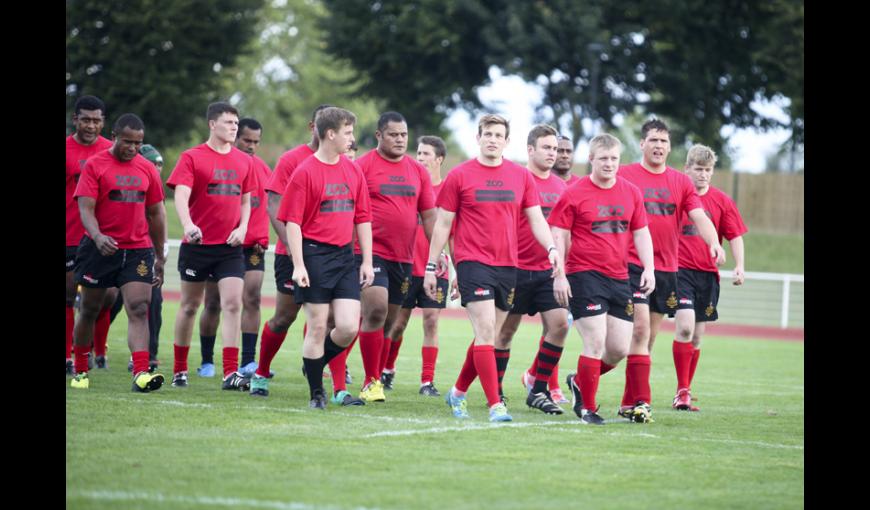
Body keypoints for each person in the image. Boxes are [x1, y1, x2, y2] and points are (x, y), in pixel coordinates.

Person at [424, 114, 562, 422]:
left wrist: (551, 248)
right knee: (487, 332)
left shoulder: (520, 177)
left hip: (507, 265)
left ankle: (458, 392)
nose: (493, 139)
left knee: (489, 335)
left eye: (499, 135)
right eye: (488, 133)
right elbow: (443, 223)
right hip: (473, 263)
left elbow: (536, 218)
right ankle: (494, 404)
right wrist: (432, 266)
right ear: (478, 137)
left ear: (506, 141)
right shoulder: (459, 176)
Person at [248, 105, 360, 405]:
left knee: (337, 321)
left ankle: (336, 388)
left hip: (333, 256)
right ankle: (261, 371)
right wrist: (299, 252)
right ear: (320, 127)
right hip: (296, 253)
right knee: (285, 317)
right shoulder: (293, 161)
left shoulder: (346, 162)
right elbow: (276, 206)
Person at [618, 119, 725, 422]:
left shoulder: (681, 182)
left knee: (647, 341)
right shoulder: (626, 176)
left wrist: (713, 242)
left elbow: (699, 215)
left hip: (667, 269)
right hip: (632, 264)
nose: (659, 146)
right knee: (638, 331)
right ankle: (642, 400)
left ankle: (627, 401)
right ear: (642, 144)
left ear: (670, 146)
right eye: (653, 140)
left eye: (664, 142)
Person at [549, 133, 655, 424]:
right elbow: (558, 233)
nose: (609, 164)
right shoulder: (574, 193)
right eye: (603, 159)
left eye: (614, 159)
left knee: (619, 348)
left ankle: (579, 382)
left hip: (620, 277)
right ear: (591, 160)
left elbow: (641, 232)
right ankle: (587, 408)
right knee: (594, 342)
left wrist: (649, 268)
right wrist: (560, 274)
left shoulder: (631, 192)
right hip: (584, 275)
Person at [272, 106, 374, 409]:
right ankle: (317, 393)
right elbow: (292, 222)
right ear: (330, 134)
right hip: (314, 256)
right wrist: (299, 265)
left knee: (347, 327)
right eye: (347, 132)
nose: (351, 138)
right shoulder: (305, 171)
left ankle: (313, 362)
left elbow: (363, 218)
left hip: (344, 257)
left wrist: (366, 260)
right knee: (317, 326)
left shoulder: (352, 169)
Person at [69, 113, 168, 392]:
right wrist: (98, 236)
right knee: (90, 309)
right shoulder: (95, 165)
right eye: (127, 142)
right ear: (114, 137)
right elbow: (85, 209)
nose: (133, 148)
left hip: (138, 250)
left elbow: (156, 213)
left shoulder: (147, 169)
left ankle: (140, 373)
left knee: (138, 308)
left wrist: (159, 256)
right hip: (99, 249)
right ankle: (80, 370)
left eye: (138, 143)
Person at [166, 101, 256, 391]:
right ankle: (179, 369)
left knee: (232, 304)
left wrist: (243, 228)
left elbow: (246, 200)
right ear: (212, 124)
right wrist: (188, 224)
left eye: (235, 123)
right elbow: (181, 195)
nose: (234, 127)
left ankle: (230, 372)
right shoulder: (192, 158)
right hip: (198, 246)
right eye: (228, 122)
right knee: (191, 306)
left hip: (230, 248)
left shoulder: (244, 161)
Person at [352, 112, 437, 403]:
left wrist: (439, 256)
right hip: (368, 253)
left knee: (389, 322)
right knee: (375, 310)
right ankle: (370, 381)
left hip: (404, 258)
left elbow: (429, 217)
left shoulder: (418, 172)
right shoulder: (361, 166)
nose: (400, 140)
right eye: (393, 135)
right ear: (379, 136)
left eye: (404, 135)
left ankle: (374, 377)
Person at [487, 124, 569, 415]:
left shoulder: (561, 187)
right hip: (514, 270)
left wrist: (563, 267)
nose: (552, 153)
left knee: (560, 325)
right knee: (504, 333)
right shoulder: (515, 179)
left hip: (547, 271)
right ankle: (495, 391)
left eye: (555, 148)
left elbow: (563, 232)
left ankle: (538, 389)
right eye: (546, 148)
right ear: (530, 149)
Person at [672, 145, 747, 411]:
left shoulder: (722, 201)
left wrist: (739, 265)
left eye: (708, 170)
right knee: (684, 327)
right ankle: (682, 391)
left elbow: (735, 234)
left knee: (697, 337)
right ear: (687, 169)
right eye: (698, 169)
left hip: (707, 276)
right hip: (679, 272)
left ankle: (685, 391)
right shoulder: (677, 196)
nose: (703, 175)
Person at [196, 118, 271, 378]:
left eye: (255, 142)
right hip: (220, 244)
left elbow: (264, 206)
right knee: (214, 302)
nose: (251, 146)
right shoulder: (219, 164)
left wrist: (261, 237)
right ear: (235, 137)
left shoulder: (262, 169)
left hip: (251, 246)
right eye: (246, 140)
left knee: (252, 298)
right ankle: (207, 361)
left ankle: (248, 361)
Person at [383, 135, 449, 397]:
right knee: (397, 324)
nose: (420, 158)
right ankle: (387, 370)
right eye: (418, 153)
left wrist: (452, 266)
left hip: (436, 269)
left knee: (432, 321)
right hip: (407, 267)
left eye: (426, 154)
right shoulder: (410, 185)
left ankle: (427, 381)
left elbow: (452, 233)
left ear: (439, 159)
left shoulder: (448, 190)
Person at [106, 144, 166, 374]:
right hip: (116, 252)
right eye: (153, 163)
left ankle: (148, 357)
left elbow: (159, 218)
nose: (157, 168)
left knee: (151, 304)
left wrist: (161, 255)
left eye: (160, 164)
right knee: (107, 302)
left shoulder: (154, 189)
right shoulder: (130, 187)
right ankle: (89, 347)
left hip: (144, 255)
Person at [66, 95, 115, 374]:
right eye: (85, 119)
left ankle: (100, 352)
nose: (91, 125)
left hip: (104, 237)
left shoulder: (111, 150)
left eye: (96, 120)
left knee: (106, 296)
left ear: (103, 122)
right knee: (69, 294)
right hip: (71, 235)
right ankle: (68, 357)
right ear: (75, 120)